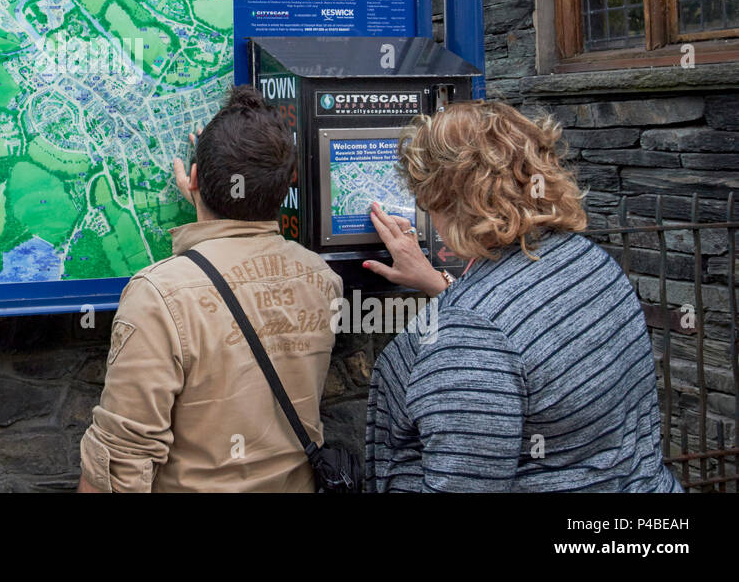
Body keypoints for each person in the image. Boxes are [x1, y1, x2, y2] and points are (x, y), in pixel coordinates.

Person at [363, 100, 680, 492]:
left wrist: (462, 313)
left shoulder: (472, 334)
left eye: (424, 196)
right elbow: (525, 330)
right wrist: (441, 286)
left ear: (447, 198)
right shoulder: (586, 258)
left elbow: (464, 483)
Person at [78, 85, 343, 492]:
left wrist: (208, 204)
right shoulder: (322, 280)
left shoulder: (159, 295)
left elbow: (121, 462)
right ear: (286, 185)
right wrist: (211, 205)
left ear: (195, 179)